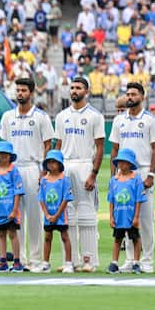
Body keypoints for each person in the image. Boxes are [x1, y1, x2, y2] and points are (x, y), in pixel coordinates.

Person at [0, 78, 55, 272]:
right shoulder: (7, 117)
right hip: (12, 168)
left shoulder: (41, 117)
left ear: (31, 93)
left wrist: (44, 170)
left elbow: (48, 144)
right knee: (14, 217)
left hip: (32, 167)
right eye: (18, 90)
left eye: (23, 90)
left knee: (34, 215)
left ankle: (36, 260)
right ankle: (17, 259)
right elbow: (3, 144)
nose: (20, 93)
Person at [109, 82, 155, 273]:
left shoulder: (151, 120)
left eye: (134, 94)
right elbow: (114, 149)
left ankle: (147, 260)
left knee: (145, 219)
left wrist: (151, 174)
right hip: (122, 173)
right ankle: (131, 259)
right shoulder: (119, 121)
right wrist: (112, 177)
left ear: (142, 96)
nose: (130, 97)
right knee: (125, 217)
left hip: (142, 170)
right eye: (128, 94)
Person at [54, 77, 105, 272]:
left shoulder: (95, 115)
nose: (74, 91)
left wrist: (93, 173)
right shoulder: (61, 116)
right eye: (72, 87)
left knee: (86, 215)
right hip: (65, 166)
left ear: (87, 91)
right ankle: (71, 260)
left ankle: (89, 260)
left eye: (78, 88)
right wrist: (55, 172)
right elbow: (57, 146)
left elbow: (100, 147)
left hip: (85, 164)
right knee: (68, 215)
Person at [107, 148, 146, 274]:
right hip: (119, 216)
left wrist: (136, 217)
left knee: (135, 238)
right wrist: (111, 217)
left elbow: (138, 199)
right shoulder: (114, 180)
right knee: (117, 239)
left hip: (130, 216)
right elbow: (111, 200)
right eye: (119, 162)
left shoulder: (136, 179)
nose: (121, 165)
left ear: (130, 164)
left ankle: (136, 262)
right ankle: (114, 262)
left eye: (124, 162)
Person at [0, 141, 25, 273]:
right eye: (0, 154)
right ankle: (3, 261)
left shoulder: (13, 171)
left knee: (12, 234)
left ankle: (16, 261)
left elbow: (18, 192)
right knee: (1, 235)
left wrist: (14, 210)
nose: (3, 156)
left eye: (6, 154)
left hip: (10, 211)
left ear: (10, 156)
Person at [37, 150, 74, 274]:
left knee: (65, 237)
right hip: (48, 215)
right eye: (49, 162)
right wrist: (47, 214)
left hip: (61, 216)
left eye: (54, 162)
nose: (51, 165)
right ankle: (45, 264)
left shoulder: (64, 179)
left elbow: (65, 198)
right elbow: (41, 198)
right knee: (47, 237)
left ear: (60, 164)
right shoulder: (44, 180)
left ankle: (68, 263)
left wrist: (57, 215)